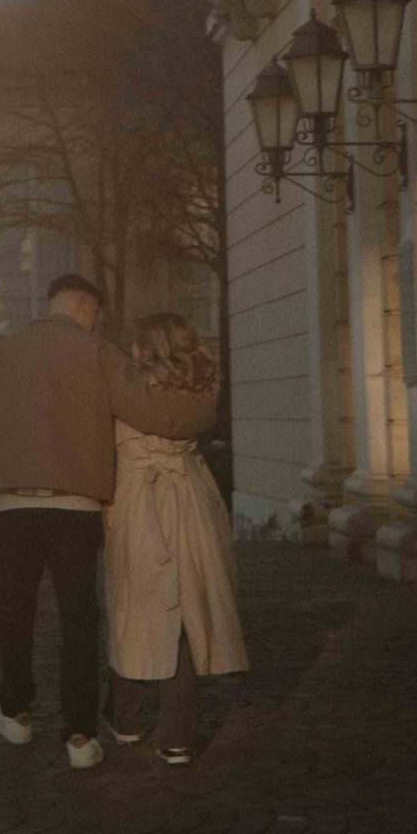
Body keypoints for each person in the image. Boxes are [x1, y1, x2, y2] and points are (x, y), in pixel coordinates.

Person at [0, 273, 217, 771]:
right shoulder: (98, 353)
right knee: (79, 617)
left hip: (15, 505)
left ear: (52, 302)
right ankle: (80, 736)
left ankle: (16, 712)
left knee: (15, 610)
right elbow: (154, 415)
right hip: (78, 506)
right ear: (89, 308)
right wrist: (202, 402)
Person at [105, 311, 247, 765]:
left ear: (144, 349)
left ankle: (126, 719)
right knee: (186, 612)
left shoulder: (126, 395)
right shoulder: (201, 394)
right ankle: (178, 736)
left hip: (137, 504)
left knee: (131, 608)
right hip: (191, 501)